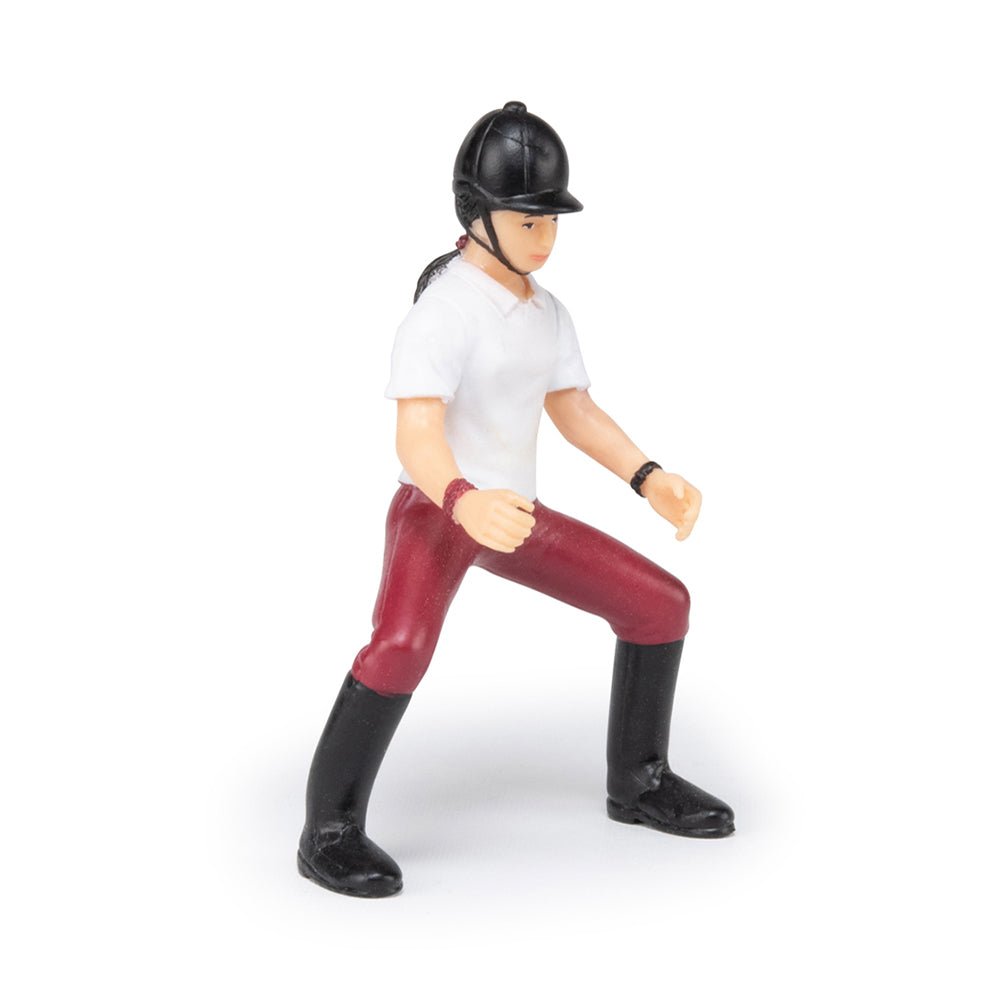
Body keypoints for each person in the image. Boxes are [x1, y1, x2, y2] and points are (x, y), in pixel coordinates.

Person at [298, 102, 735, 899]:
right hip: (439, 512)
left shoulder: (546, 314)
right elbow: (416, 435)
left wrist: (647, 476)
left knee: (659, 604)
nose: (545, 237)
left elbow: (574, 410)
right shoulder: (443, 312)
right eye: (528, 220)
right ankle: (329, 827)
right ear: (477, 215)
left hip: (511, 516)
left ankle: (639, 778)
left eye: (551, 220)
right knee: (400, 646)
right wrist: (460, 498)